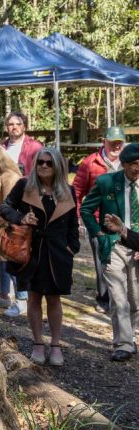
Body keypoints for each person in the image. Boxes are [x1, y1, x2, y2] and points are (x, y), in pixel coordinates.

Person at [0, 148, 79, 366]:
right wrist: (21, 217)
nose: (43, 166)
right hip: (30, 252)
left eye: (48, 163)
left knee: (54, 298)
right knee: (34, 297)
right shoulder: (25, 186)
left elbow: (73, 223)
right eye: (40, 162)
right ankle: (37, 343)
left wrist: (73, 247)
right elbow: (4, 207)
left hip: (58, 254)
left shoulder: (68, 191)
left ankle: (55, 345)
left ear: (58, 167)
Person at [80, 142, 139, 362]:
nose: (137, 168)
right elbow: (86, 209)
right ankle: (123, 343)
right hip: (113, 245)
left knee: (135, 297)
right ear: (123, 164)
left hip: (137, 246)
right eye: (133, 164)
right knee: (118, 297)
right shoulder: (106, 182)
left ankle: (130, 336)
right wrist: (98, 234)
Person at [73, 126, 125, 314]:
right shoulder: (90, 163)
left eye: (119, 143)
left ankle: (122, 298)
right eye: (113, 142)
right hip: (97, 221)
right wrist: (79, 218)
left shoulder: (129, 162)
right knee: (102, 261)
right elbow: (77, 192)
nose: (116, 146)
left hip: (125, 221)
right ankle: (104, 299)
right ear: (104, 141)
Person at [0, 144, 28, 316]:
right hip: (1, 230)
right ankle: (3, 295)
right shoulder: (0, 176)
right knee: (1, 263)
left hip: (10, 229)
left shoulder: (10, 177)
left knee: (14, 264)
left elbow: (10, 207)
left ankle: (22, 301)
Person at [0, 111, 43, 176]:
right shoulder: (1, 148)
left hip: (28, 185)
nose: (14, 127)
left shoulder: (35, 147)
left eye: (18, 124)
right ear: (7, 128)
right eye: (11, 124)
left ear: (24, 127)